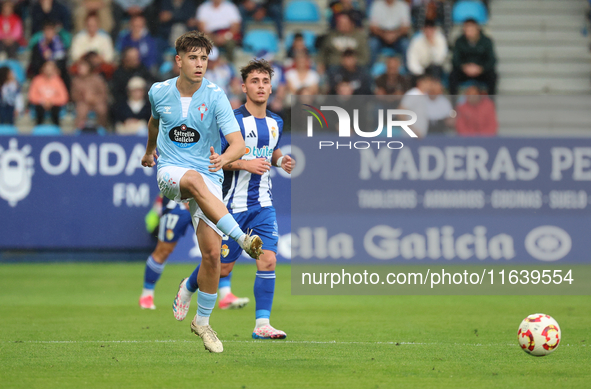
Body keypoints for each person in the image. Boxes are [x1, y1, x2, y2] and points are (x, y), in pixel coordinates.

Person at [141, 31, 263, 354]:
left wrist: (224, 158)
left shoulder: (215, 95)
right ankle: (243, 239)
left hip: (209, 175)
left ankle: (203, 322)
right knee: (193, 178)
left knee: (212, 255)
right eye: (193, 58)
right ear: (178, 60)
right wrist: (149, 151)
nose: (199, 64)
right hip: (171, 172)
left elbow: (239, 143)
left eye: (204, 59)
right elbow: (154, 123)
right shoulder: (159, 91)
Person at [184, 58, 293, 340]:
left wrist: (281, 161)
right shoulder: (232, 120)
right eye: (254, 81)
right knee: (221, 268)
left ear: (272, 88)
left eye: (265, 81)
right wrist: (245, 164)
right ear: (244, 86)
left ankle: (262, 325)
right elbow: (215, 161)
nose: (260, 86)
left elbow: (271, 150)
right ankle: (189, 285)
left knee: (268, 259)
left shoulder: (276, 121)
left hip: (263, 205)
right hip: (230, 206)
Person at [139, 193, 250, 310]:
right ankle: (147, 295)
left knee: (217, 249)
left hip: (203, 203)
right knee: (164, 250)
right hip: (177, 204)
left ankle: (225, 295)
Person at [449, 18, 497, 96]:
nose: (469, 32)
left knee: (493, 76)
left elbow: (492, 60)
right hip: (464, 71)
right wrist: (464, 67)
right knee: (452, 76)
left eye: (471, 30)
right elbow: (455, 59)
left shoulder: (486, 41)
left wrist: (481, 68)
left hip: (481, 71)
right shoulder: (459, 41)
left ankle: (491, 102)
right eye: (467, 30)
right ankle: (453, 104)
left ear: (477, 29)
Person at [28, 60, 68, 126]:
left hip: (54, 104)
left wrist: (51, 101)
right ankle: (38, 129)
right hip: (40, 104)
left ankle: (57, 130)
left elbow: (64, 97)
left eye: (50, 68)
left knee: (56, 110)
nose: (48, 70)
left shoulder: (58, 81)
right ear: (43, 69)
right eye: (47, 68)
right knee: (39, 109)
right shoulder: (37, 80)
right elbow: (32, 96)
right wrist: (42, 101)